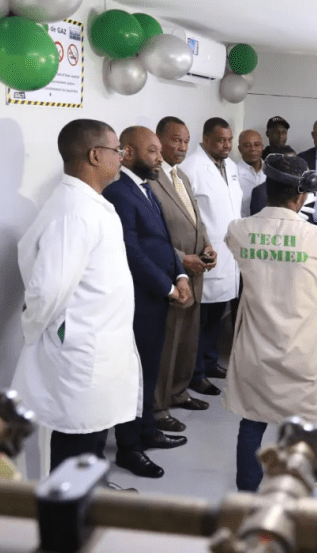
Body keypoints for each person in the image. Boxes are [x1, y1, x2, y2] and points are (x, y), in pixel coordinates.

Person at [224, 154, 317, 491]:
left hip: (256, 351)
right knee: (314, 428)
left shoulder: (239, 230)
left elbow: (247, 243)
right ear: (301, 196)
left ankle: (246, 495)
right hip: (300, 353)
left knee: (253, 420)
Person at [11, 119, 141, 474]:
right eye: (117, 150)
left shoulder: (89, 203)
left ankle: (89, 506)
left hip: (98, 346)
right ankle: (66, 523)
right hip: (82, 351)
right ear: (95, 155)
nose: (121, 156)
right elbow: (48, 288)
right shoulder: (74, 211)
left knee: (93, 439)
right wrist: (37, 329)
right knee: (77, 442)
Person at [102, 126, 191, 477]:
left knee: (150, 369)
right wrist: (167, 287)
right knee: (134, 376)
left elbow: (162, 240)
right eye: (152, 151)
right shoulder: (120, 193)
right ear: (127, 152)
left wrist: (180, 274)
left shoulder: (145, 188)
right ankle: (129, 448)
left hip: (158, 297)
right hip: (139, 300)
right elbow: (131, 251)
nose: (159, 158)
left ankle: (147, 429)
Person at [150, 117, 215, 430]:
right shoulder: (151, 180)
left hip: (196, 270)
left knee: (188, 339)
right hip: (171, 273)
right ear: (159, 140)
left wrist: (207, 245)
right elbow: (148, 236)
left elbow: (195, 220)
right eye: (176, 140)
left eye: (186, 141)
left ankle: (178, 391)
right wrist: (180, 259)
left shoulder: (183, 177)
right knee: (167, 342)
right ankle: (158, 406)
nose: (182, 147)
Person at [179, 117, 242, 397]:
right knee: (200, 321)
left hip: (229, 254)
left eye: (229, 140)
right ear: (205, 140)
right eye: (220, 140)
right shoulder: (191, 168)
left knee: (218, 316)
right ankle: (195, 374)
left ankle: (210, 362)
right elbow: (187, 213)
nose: (226, 145)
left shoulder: (231, 166)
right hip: (207, 251)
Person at [237, 130, 266, 216]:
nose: (253, 149)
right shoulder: (232, 171)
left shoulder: (271, 171)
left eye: (257, 145)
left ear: (262, 147)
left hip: (268, 225)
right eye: (247, 145)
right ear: (240, 149)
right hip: (242, 225)